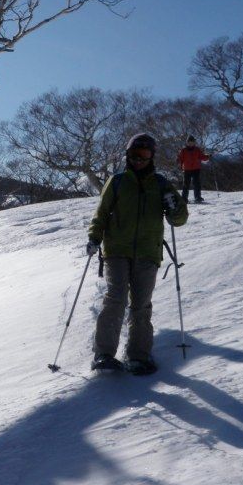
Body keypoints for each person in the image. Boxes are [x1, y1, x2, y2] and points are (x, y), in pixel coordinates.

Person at [86, 133, 188, 375]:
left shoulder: (162, 184)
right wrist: (94, 237)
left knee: (141, 305)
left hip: (148, 253)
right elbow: (101, 213)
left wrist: (174, 205)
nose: (139, 160)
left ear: (152, 156)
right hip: (116, 250)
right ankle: (104, 354)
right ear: (127, 156)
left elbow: (179, 219)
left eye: (144, 155)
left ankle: (138, 356)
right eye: (134, 155)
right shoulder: (118, 181)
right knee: (116, 298)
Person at [176, 135, 210, 203]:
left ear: (194, 142)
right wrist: (178, 160)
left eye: (192, 142)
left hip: (196, 169)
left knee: (197, 183)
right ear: (187, 143)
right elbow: (180, 158)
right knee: (186, 184)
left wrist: (207, 156)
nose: (191, 143)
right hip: (187, 169)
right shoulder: (183, 150)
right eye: (189, 142)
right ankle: (184, 198)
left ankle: (197, 197)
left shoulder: (197, 150)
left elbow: (201, 156)